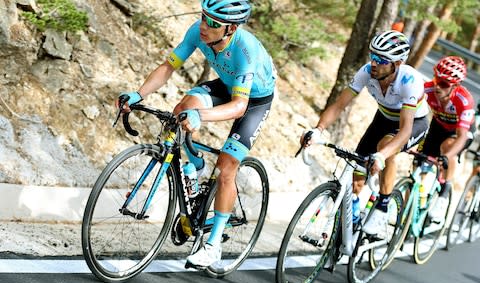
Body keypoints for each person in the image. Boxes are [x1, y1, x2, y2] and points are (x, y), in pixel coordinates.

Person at [117, 0, 276, 268]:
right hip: (226, 85)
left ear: (231, 28)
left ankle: (212, 246)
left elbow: (239, 107)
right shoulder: (197, 31)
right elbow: (168, 67)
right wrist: (138, 94)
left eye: (213, 22)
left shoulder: (244, 51)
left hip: (253, 101)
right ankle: (196, 166)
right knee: (181, 109)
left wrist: (200, 116)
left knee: (226, 168)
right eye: (203, 17)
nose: (204, 25)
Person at [302, 30, 429, 235]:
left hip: (414, 123)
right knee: (356, 178)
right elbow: (339, 105)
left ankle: (382, 206)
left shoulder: (410, 81)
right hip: (383, 119)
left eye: (381, 59)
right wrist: (318, 130)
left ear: (396, 64)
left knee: (384, 147)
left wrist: (382, 156)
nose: (374, 63)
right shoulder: (367, 71)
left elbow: (404, 131)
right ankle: (349, 226)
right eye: (372, 56)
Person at [418, 56, 475, 220]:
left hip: (459, 132)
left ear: (455, 86)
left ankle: (444, 193)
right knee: (418, 165)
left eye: (443, 84)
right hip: (438, 126)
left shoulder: (464, 100)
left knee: (447, 148)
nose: (437, 86)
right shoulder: (427, 89)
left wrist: (446, 157)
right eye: (436, 79)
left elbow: (462, 136)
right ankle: (409, 211)